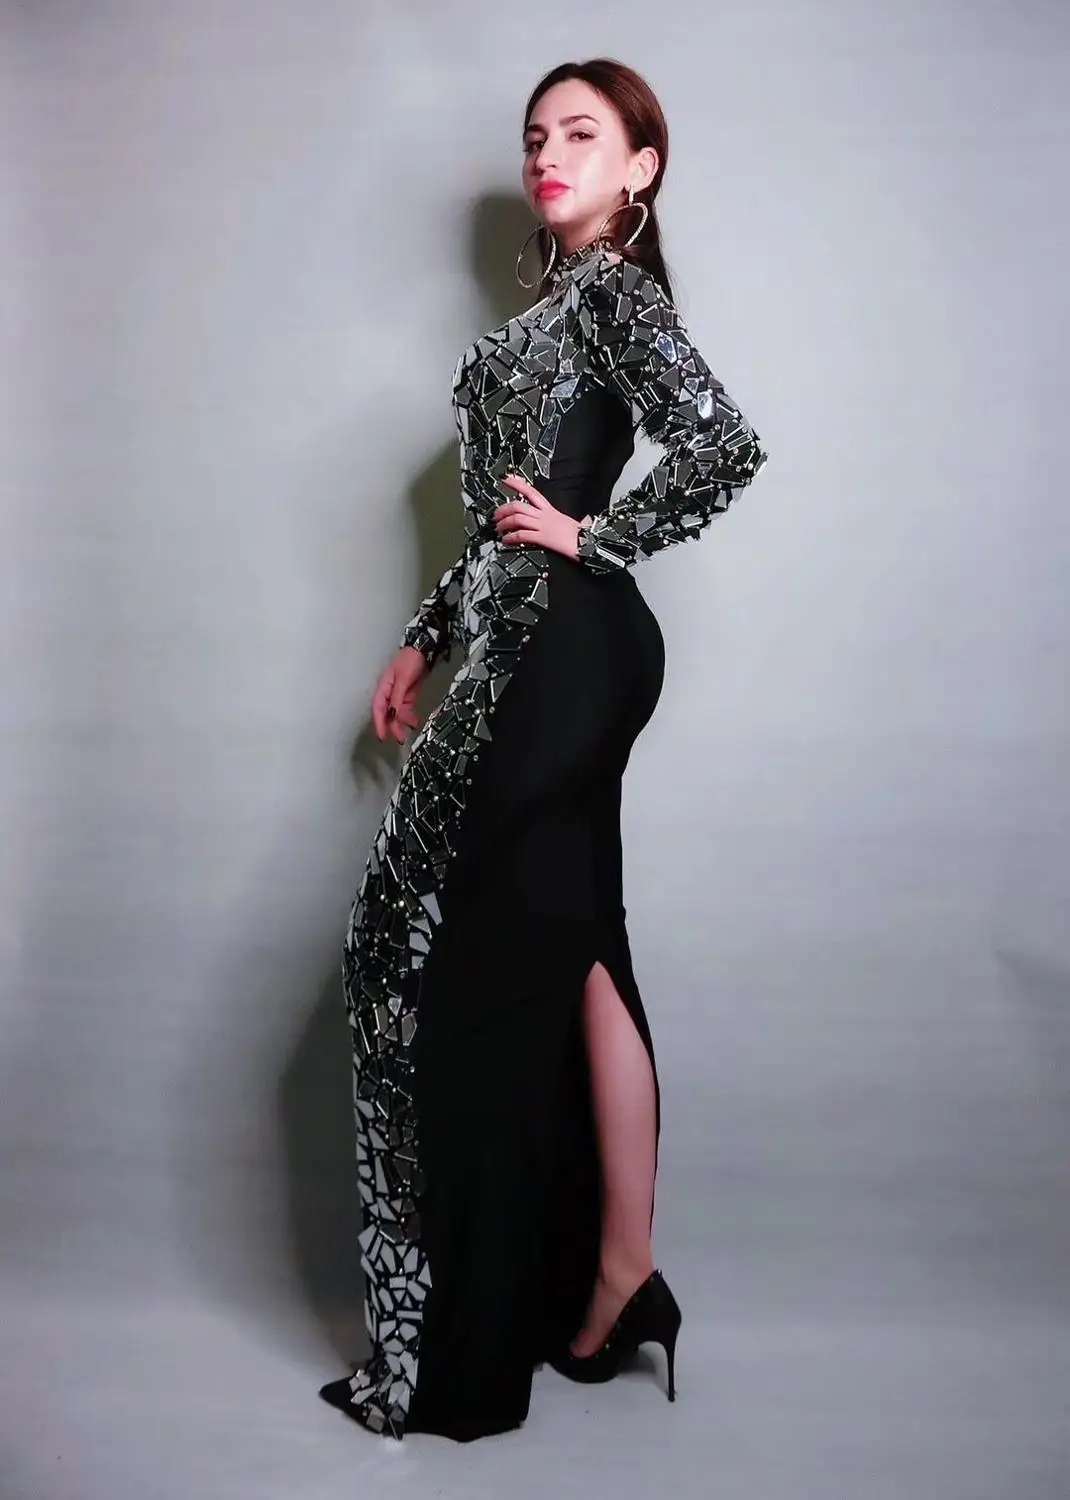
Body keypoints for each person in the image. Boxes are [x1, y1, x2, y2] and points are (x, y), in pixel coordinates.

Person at [319, 56, 769, 1443]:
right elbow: (494, 528)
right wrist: (423, 637)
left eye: (581, 133)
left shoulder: (616, 297)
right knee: (577, 951)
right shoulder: (544, 319)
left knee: (420, 952)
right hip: (538, 646)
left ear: (642, 167)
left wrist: (596, 538)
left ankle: (453, 1347)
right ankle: (619, 1272)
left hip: (567, 654)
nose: (547, 155)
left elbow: (722, 446)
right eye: (533, 138)